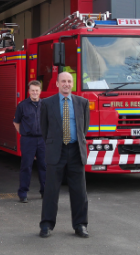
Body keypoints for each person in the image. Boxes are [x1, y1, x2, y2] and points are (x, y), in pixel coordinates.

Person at [39, 72, 90, 239]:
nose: (66, 84)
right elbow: (43, 128)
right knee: (51, 190)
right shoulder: (47, 103)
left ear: (72, 83)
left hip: (76, 151)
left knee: (79, 191)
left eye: (69, 81)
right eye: (63, 81)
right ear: (57, 84)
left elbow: (85, 128)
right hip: (56, 151)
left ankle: (80, 225)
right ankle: (46, 225)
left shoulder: (82, 102)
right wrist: (54, 143)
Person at [13, 80, 46, 203]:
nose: (35, 92)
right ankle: (23, 194)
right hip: (28, 140)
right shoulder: (22, 105)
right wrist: (23, 133)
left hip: (42, 140)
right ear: (29, 91)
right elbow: (16, 122)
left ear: (40, 91)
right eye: (32, 90)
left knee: (44, 166)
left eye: (37, 90)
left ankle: (45, 192)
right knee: (26, 166)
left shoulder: (45, 105)